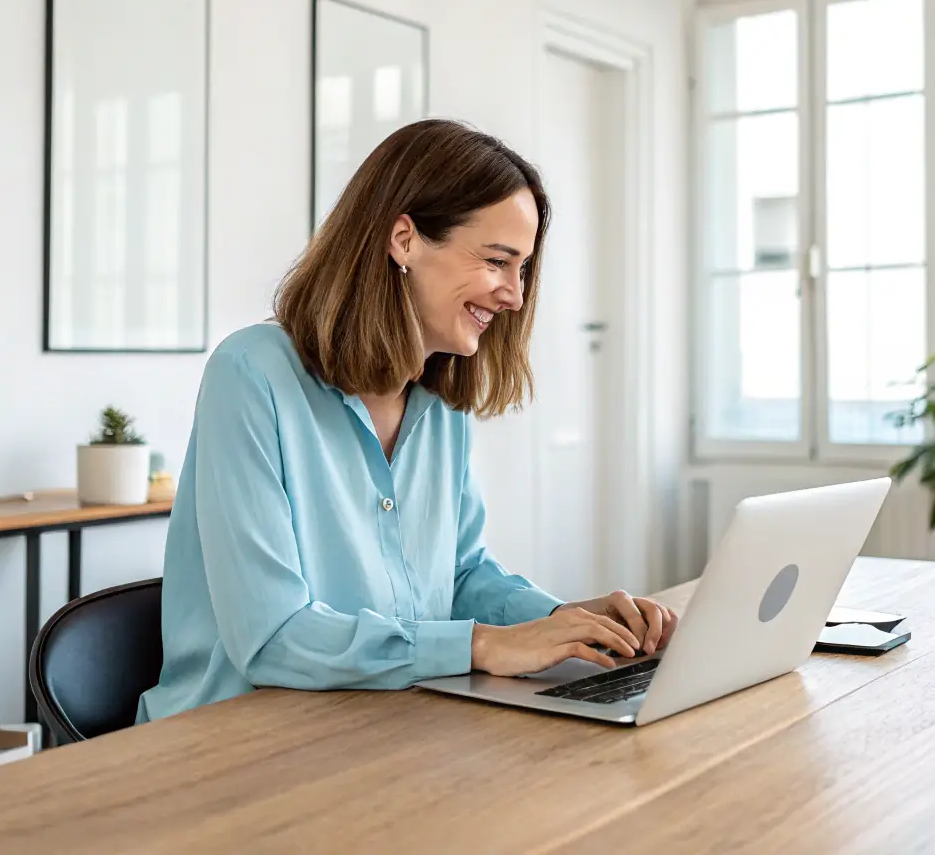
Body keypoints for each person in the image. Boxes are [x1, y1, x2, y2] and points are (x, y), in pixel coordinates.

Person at [138, 119, 677, 722]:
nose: (515, 294)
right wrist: (481, 645)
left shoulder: (440, 402)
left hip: (378, 721)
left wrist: (562, 622)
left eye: (522, 268)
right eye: (497, 261)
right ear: (404, 240)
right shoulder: (251, 373)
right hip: (236, 735)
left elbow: (458, 576)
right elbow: (273, 637)